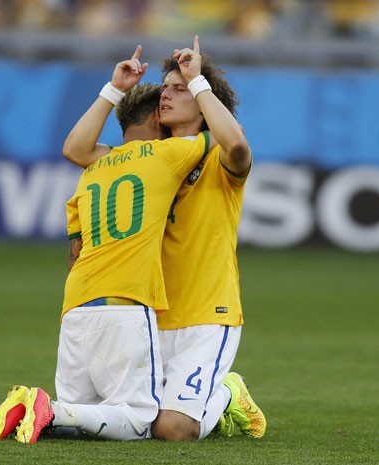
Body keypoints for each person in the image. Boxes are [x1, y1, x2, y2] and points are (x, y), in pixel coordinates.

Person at [0, 46, 213, 443]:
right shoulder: (168, 153)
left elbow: (72, 152)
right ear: (159, 116)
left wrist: (114, 89)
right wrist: (196, 83)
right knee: (140, 419)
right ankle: (49, 407)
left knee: (84, 425)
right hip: (125, 302)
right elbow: (223, 138)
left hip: (75, 306)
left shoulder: (91, 173)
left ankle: (43, 411)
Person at [64, 36, 267, 441]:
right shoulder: (149, 158)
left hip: (207, 312)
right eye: (167, 87)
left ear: (201, 98)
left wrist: (198, 81)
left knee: (173, 429)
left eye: (179, 89)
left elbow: (239, 145)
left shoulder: (216, 156)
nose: (166, 96)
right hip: (150, 314)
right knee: (134, 421)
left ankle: (228, 394)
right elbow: (78, 149)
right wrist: (114, 90)